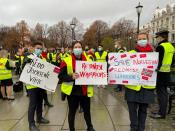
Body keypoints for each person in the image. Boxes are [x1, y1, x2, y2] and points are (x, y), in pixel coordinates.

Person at [58, 41, 95, 131]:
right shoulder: (66, 60)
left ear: (82, 49)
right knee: (72, 112)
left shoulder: (89, 60)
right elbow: (60, 76)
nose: (77, 49)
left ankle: (90, 127)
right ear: (72, 49)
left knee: (87, 111)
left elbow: (94, 73)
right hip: (73, 92)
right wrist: (71, 76)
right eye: (76, 47)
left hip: (84, 91)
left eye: (79, 47)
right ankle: (72, 129)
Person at [125, 33, 155, 131]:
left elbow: (154, 69)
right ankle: (133, 128)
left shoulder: (153, 54)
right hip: (132, 88)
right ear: (137, 41)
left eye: (144, 38)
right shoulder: (131, 53)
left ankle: (141, 129)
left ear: (148, 39)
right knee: (132, 111)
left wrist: (145, 72)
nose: (142, 40)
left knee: (143, 111)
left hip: (146, 87)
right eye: (140, 39)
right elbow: (123, 67)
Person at [23, 41, 50, 131]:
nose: (39, 50)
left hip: (41, 84)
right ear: (33, 48)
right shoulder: (29, 56)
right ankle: (31, 124)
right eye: (37, 48)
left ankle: (39, 118)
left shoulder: (43, 58)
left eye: (40, 48)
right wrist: (27, 59)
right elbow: (25, 64)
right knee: (33, 104)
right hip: (32, 85)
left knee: (40, 103)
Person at [150, 30, 175, 119]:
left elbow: (157, 61)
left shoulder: (160, 47)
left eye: (157, 37)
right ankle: (161, 111)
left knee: (161, 94)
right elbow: (172, 61)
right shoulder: (171, 47)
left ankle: (161, 113)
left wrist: (156, 68)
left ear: (161, 37)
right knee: (164, 93)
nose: (157, 39)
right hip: (167, 73)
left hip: (160, 73)